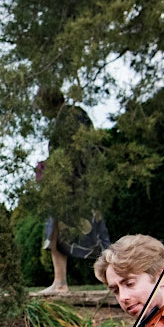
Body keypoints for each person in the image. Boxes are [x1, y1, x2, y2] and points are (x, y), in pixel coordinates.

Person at [36, 99, 111, 295]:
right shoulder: (60, 120)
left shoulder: (74, 115)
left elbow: (82, 151)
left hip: (79, 184)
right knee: (54, 230)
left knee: (97, 232)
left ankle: (114, 280)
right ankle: (60, 282)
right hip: (64, 185)